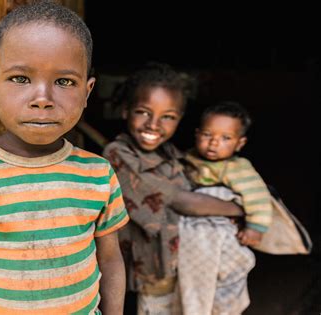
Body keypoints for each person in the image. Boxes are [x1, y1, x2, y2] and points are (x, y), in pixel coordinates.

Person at [0, 2, 129, 314]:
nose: (42, 99)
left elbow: (110, 261)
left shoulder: (98, 175)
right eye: (20, 78)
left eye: (64, 81)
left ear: (87, 91)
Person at [102, 63, 244, 315]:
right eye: (143, 112)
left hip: (177, 268)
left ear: (179, 119)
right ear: (125, 111)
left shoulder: (170, 153)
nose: (153, 124)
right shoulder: (118, 154)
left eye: (167, 116)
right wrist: (239, 209)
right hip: (144, 274)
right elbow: (179, 199)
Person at [178, 101, 273, 315]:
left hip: (222, 238)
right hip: (193, 241)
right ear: (196, 134)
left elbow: (258, 198)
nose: (213, 143)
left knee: (223, 288)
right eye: (207, 135)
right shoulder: (187, 158)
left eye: (225, 138)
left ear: (240, 143)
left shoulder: (238, 169)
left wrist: (255, 228)